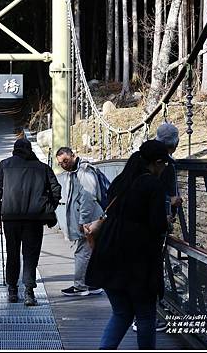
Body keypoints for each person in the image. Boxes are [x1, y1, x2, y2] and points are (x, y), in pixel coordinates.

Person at [85, 140, 171, 349]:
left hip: (109, 254)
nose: (165, 168)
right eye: (164, 164)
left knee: (122, 312)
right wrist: (168, 217)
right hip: (138, 262)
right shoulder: (153, 184)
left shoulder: (120, 181)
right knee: (145, 315)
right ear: (157, 162)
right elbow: (157, 225)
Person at [0, 138, 61, 306]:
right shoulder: (42, 167)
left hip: (11, 218)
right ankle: (29, 292)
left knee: (12, 254)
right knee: (30, 255)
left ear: (14, 150)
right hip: (34, 219)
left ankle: (12, 290)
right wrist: (48, 207)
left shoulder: (4, 165)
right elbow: (56, 190)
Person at [132, 123, 184, 333]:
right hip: (153, 228)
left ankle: (141, 316)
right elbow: (152, 193)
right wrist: (169, 204)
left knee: (142, 272)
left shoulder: (138, 161)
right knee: (150, 272)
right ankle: (145, 319)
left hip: (139, 228)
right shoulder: (163, 164)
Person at [55, 147, 104, 297]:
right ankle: (93, 284)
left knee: (82, 253)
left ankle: (81, 286)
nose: (63, 164)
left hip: (89, 220)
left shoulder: (84, 171)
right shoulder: (74, 172)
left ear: (73, 156)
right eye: (60, 163)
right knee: (89, 251)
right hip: (91, 219)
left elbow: (88, 197)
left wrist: (83, 221)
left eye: (65, 160)